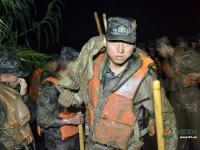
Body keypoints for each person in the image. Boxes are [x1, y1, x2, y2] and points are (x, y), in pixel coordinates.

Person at [57, 17, 177, 150]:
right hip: (91, 144)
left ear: (134, 45)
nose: (120, 49)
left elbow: (166, 117)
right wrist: (71, 96)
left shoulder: (145, 78)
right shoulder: (91, 66)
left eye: (127, 43)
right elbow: (80, 99)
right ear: (105, 42)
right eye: (115, 42)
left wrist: (169, 145)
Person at [155, 38, 200, 150]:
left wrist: (196, 76)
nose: (160, 54)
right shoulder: (166, 62)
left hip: (191, 97)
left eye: (159, 51)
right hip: (176, 99)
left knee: (197, 132)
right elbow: (170, 80)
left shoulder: (184, 53)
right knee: (182, 133)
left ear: (163, 46)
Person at [36, 47, 84, 150]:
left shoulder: (70, 84)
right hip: (58, 141)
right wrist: (69, 121)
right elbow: (42, 119)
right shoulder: (51, 87)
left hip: (73, 135)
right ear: (72, 67)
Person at [0, 51, 33, 150]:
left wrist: (23, 95)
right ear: (6, 76)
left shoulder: (9, 91)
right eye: (18, 75)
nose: (20, 78)